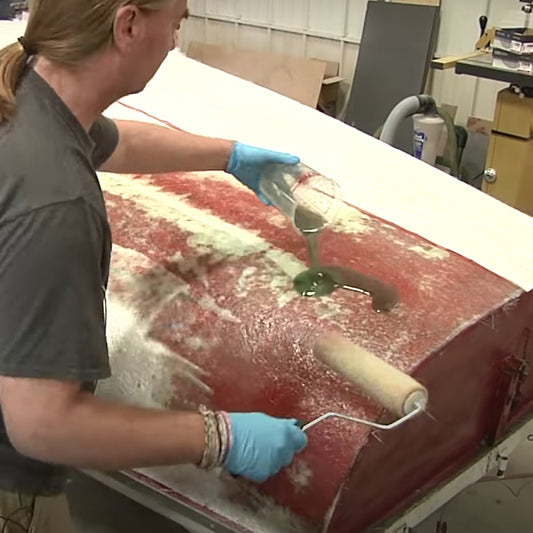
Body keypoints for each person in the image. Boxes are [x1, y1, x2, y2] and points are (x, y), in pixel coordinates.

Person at [0, 0, 308, 531]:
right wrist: (218, 438)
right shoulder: (59, 205)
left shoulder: (28, 97)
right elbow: (41, 423)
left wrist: (230, 156)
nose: (173, 42)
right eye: (178, 22)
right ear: (129, 25)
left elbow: (115, 143)